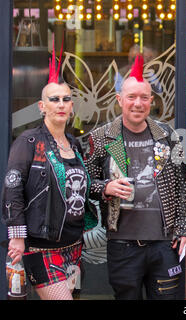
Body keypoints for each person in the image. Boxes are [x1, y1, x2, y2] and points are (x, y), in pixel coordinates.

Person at [85, 54, 186, 300]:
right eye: (131, 97)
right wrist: (107, 187)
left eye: (144, 97)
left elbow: (182, 186)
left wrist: (185, 230)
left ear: (151, 101)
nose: (137, 103)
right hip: (122, 244)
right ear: (119, 100)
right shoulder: (102, 137)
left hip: (165, 244)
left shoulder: (167, 135)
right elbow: (85, 184)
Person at [1, 41, 90, 300]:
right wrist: (16, 236)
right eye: (54, 100)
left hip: (73, 245)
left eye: (66, 99)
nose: (61, 104)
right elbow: (12, 189)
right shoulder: (29, 142)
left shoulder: (73, 143)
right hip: (41, 247)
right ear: (42, 107)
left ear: (72, 106)